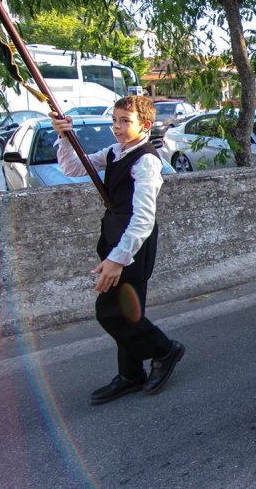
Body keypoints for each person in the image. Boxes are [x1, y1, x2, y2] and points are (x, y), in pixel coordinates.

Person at [50, 97, 185, 405]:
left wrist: (117, 259)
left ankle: (165, 350)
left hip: (133, 243)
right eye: (115, 120)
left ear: (145, 126)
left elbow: (143, 218)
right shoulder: (113, 152)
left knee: (110, 310)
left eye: (125, 120)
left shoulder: (146, 161)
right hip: (115, 236)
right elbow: (72, 167)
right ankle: (130, 374)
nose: (117, 127)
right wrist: (64, 135)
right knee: (126, 310)